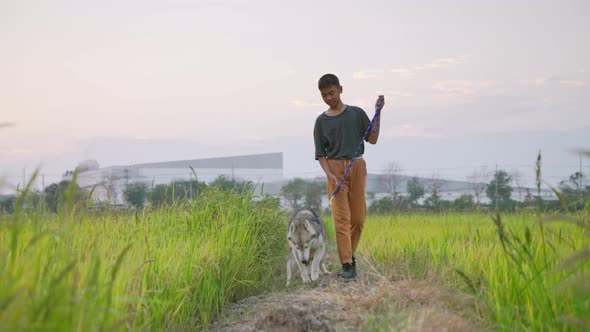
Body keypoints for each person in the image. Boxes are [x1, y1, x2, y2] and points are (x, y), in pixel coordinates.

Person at [313, 73, 384, 279]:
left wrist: (378, 113)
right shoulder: (321, 121)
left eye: (332, 93)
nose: (328, 98)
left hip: (357, 166)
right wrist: (332, 176)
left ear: (340, 90)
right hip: (334, 170)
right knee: (341, 219)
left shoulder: (356, 114)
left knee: (359, 218)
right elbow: (320, 155)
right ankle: (347, 264)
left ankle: (350, 255)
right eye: (324, 95)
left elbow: (373, 139)